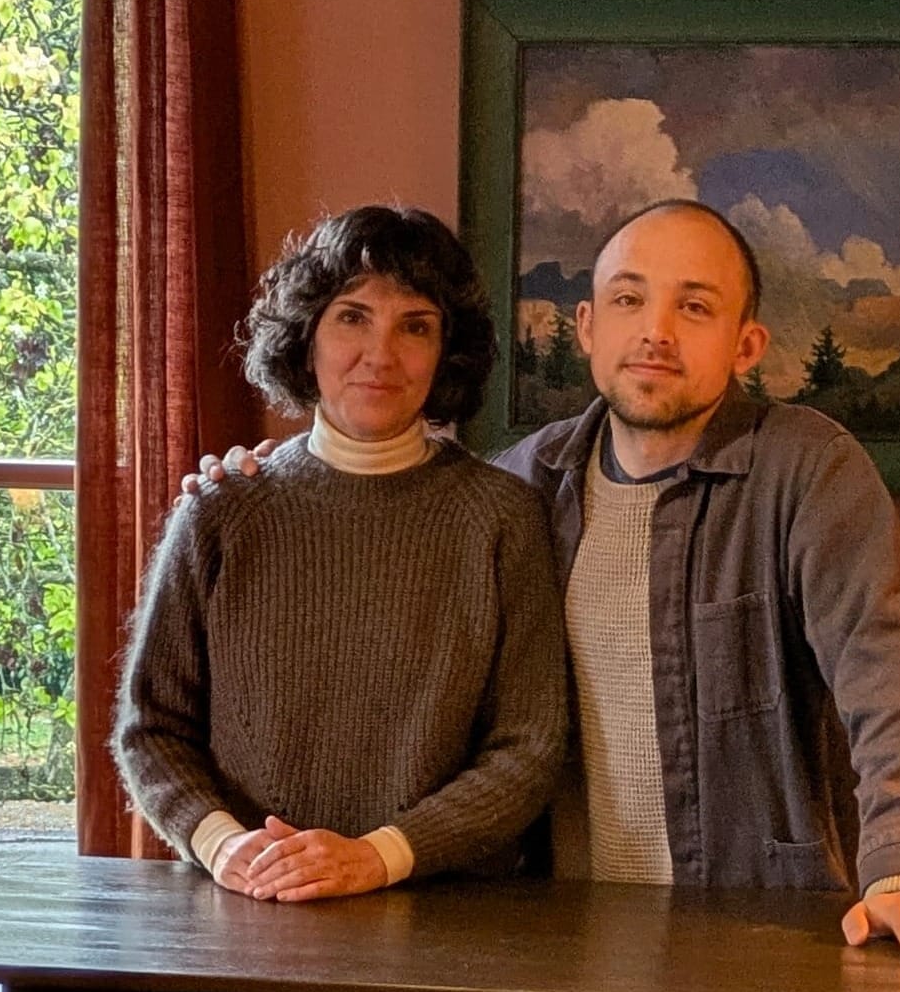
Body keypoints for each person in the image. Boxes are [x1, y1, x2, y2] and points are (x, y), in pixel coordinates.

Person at [193, 199, 900, 959]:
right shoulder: (523, 485)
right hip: (559, 933)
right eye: (629, 299)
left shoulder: (806, 472)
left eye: (695, 307)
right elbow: (384, 519)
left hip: (758, 926)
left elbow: (892, 675)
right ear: (587, 326)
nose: (655, 332)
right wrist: (260, 480)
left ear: (746, 346)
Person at [113, 204, 567, 903]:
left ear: (447, 352)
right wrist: (223, 844)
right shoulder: (221, 510)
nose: (380, 355)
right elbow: (152, 728)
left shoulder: (503, 519)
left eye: (415, 326)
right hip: (251, 904)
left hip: (445, 915)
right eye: (352, 317)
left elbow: (529, 747)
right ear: (306, 338)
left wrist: (378, 856)